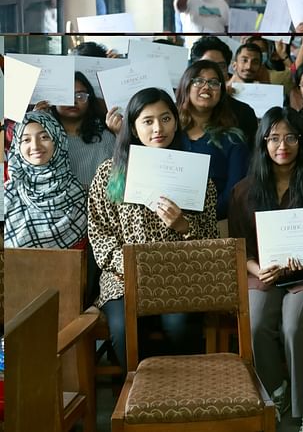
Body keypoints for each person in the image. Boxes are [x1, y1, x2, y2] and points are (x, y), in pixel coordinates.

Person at [87, 88, 219, 373]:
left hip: (178, 274)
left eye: (166, 118)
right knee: (123, 329)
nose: (158, 128)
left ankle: (179, 394)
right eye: (147, 121)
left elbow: (211, 240)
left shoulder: (194, 173)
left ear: (176, 122)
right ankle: (138, 396)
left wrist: (184, 227)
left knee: (181, 326)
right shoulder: (111, 174)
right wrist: (131, 267)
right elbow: (100, 234)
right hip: (125, 277)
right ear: (133, 128)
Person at [228, 106, 303, 432]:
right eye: (274, 137)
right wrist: (256, 267)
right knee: (257, 322)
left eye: (290, 137)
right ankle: (276, 390)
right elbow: (239, 244)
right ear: (262, 142)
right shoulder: (244, 190)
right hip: (264, 272)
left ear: (302, 141)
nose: (282, 145)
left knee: (293, 327)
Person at [175, 60, 249, 220]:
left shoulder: (233, 139)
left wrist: (200, 221)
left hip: (214, 226)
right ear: (186, 85)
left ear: (221, 92)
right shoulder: (169, 132)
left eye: (214, 82)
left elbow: (234, 192)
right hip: (164, 224)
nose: (206, 86)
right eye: (199, 81)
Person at [4, 111, 87, 249]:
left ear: (57, 140)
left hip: (62, 269)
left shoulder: (76, 194)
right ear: (17, 147)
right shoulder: (8, 192)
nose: (35, 146)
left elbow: (79, 256)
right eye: (26, 140)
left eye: (44, 137)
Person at [33, 72, 116, 187]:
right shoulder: (42, 140)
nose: (73, 101)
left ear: (89, 100)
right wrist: (35, 123)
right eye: (66, 95)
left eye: (80, 96)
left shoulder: (106, 137)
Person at [189, 36, 259, 149]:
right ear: (191, 71)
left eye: (220, 67)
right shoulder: (176, 111)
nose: (213, 73)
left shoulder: (244, 113)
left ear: (227, 72)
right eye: (207, 65)